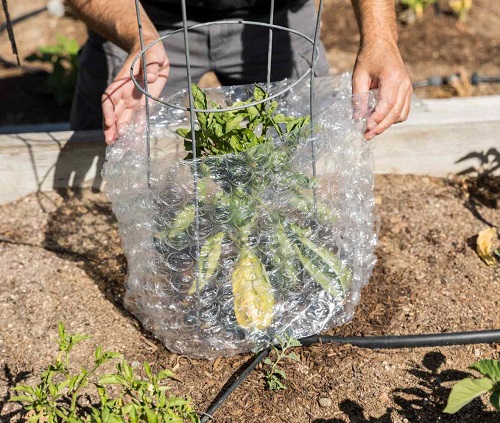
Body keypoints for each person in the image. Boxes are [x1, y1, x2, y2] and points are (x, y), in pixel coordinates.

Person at [66, 0, 412, 144]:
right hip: (146, 16)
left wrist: (381, 38)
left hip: (278, 16)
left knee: (302, 153)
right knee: (112, 149)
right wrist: (137, 35)